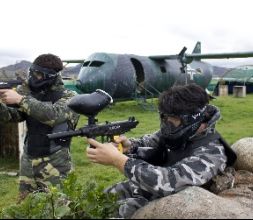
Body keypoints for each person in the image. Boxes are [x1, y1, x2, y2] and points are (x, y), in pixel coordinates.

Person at [86, 84, 237, 218]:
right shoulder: (176, 131)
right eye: (164, 118)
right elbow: (151, 141)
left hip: (179, 201)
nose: (166, 125)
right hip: (153, 190)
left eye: (172, 120)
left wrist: (118, 160)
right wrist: (129, 146)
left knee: (125, 211)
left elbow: (170, 182)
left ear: (193, 119)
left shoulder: (212, 153)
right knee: (102, 198)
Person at [0, 54, 79, 200]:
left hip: (56, 165)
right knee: (27, 208)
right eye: (33, 73)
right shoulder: (32, 95)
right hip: (29, 162)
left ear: (51, 76)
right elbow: (14, 116)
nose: (34, 77)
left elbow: (53, 116)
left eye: (39, 74)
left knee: (61, 210)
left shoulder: (69, 96)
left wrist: (20, 99)